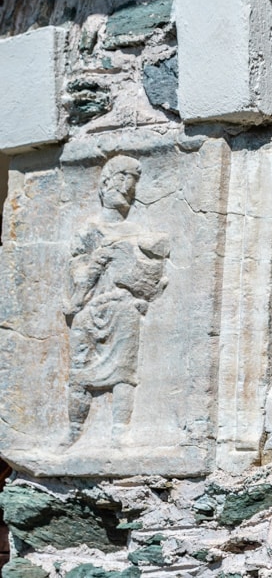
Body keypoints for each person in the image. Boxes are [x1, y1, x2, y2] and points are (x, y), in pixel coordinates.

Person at [63, 156, 169, 446]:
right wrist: (96, 263)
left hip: (123, 310)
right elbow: (77, 280)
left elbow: (147, 282)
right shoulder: (87, 232)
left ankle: (119, 433)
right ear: (105, 183)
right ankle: (73, 432)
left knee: (125, 374)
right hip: (89, 311)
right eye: (120, 179)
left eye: (131, 182)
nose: (126, 188)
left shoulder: (138, 234)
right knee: (79, 374)